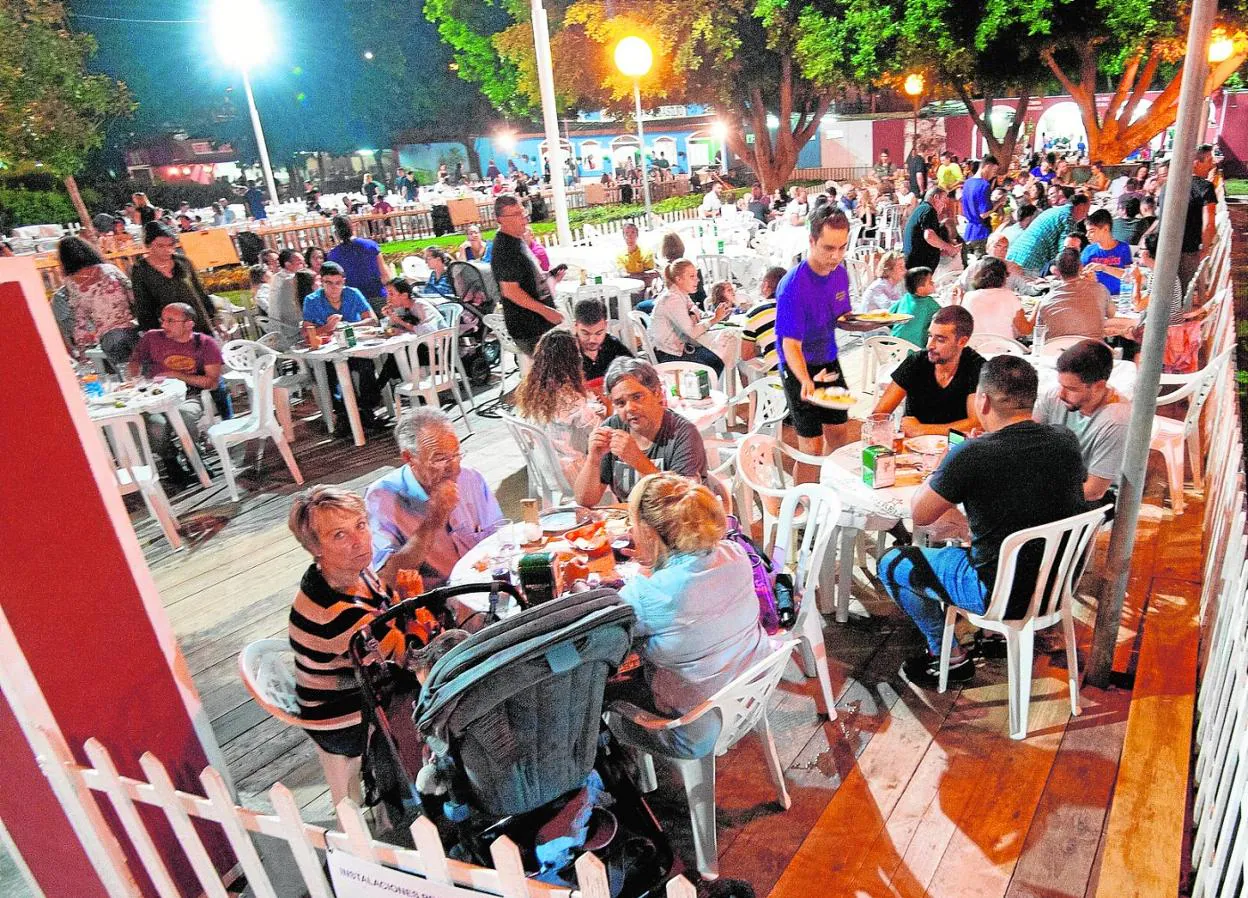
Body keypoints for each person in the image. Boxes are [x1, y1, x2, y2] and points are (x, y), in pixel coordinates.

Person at [878, 356, 1087, 687]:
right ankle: (993, 638)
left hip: (998, 593)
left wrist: (947, 462)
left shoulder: (972, 454)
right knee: (961, 531)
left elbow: (920, 514)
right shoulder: (1065, 440)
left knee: (893, 561)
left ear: (983, 400)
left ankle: (948, 656)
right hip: (1055, 585)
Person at [287, 486, 443, 805]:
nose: (359, 540)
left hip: (353, 678)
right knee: (443, 690)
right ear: (315, 548)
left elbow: (390, 610)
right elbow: (410, 658)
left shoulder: (350, 572)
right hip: (342, 715)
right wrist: (417, 614)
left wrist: (407, 611)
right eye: (339, 536)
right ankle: (423, 793)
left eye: (360, 525)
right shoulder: (340, 616)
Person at [616, 473, 774, 716]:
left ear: (648, 532)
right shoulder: (735, 553)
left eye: (633, 523)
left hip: (694, 717)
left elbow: (616, 641)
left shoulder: (643, 594)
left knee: (610, 691)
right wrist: (656, 562)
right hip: (751, 690)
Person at [776, 206, 879, 478]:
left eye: (842, 248)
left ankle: (833, 494)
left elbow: (841, 318)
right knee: (810, 448)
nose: (836, 256)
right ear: (811, 241)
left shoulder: (840, 274)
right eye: (828, 248)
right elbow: (790, 345)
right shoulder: (793, 286)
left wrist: (873, 323)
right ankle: (801, 511)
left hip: (828, 359)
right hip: (798, 366)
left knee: (839, 434)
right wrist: (806, 381)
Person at [366, 407, 504, 590]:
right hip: (438, 600)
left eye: (456, 455)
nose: (453, 467)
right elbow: (388, 578)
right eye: (439, 459)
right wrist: (433, 520)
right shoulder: (382, 497)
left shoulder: (471, 479)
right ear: (409, 458)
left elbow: (499, 537)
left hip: (485, 584)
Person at [575, 357, 708, 506]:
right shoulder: (612, 428)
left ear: (657, 393)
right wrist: (593, 459)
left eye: (637, 397)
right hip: (630, 523)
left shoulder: (683, 434)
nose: (630, 408)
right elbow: (584, 501)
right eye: (620, 403)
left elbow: (683, 503)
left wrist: (637, 460)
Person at [128, 302, 224, 489]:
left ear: (189, 324)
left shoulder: (205, 344)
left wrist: (178, 375)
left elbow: (211, 382)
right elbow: (134, 361)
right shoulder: (152, 338)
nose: (164, 325)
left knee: (184, 417)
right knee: (155, 426)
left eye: (170, 321)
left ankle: (193, 456)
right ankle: (170, 460)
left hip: (190, 395)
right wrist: (135, 376)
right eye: (163, 320)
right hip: (153, 397)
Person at [302, 261, 393, 433]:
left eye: (338, 283)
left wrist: (348, 327)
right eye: (329, 283)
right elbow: (306, 332)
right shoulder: (312, 300)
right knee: (329, 372)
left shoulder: (352, 294)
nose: (334, 287)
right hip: (329, 351)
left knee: (366, 366)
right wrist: (327, 329)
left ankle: (367, 410)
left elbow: (372, 319)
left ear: (344, 281)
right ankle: (343, 415)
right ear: (322, 282)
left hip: (356, 347)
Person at [1033, 339, 1130, 503]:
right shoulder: (1054, 396)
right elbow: (1029, 439)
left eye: (1072, 389)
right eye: (1061, 385)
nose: (1061, 394)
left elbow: (1094, 491)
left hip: (1095, 498)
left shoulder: (1117, 420)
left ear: (1099, 386)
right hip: (1056, 482)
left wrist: (1037, 497)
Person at [874, 305, 983, 437]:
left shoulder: (976, 367)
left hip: (956, 450)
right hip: (911, 449)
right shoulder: (916, 362)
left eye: (940, 339)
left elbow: (977, 423)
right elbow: (879, 414)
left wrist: (922, 429)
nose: (929, 345)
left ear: (962, 341)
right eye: (930, 336)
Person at [515, 329, 607, 484]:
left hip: (545, 467)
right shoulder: (569, 398)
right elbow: (599, 432)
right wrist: (608, 408)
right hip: (573, 472)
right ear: (571, 361)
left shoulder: (534, 392)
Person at [491, 194, 563, 361]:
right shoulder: (504, 248)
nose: (523, 219)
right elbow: (510, 291)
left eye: (522, 212)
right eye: (515, 215)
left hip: (540, 324)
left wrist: (550, 279)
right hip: (529, 327)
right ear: (500, 219)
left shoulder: (518, 239)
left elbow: (527, 279)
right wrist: (546, 312)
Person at [51, 236, 139, 369]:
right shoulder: (110, 269)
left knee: (129, 376)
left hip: (108, 338)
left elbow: (79, 318)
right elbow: (133, 295)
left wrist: (82, 350)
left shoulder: (71, 283)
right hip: (133, 328)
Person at [130, 222, 214, 334]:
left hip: (198, 325)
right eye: (160, 246)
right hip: (169, 332)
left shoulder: (183, 262)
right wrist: (154, 334)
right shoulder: (141, 270)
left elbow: (200, 293)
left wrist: (214, 318)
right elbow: (143, 307)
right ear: (148, 245)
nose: (167, 250)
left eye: (170, 245)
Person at [649, 259, 729, 376]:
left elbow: (699, 314)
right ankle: (703, 392)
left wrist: (718, 315)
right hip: (668, 354)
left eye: (696, 275)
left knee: (718, 358)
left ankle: (711, 391)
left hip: (682, 348)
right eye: (692, 276)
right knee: (714, 363)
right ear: (679, 279)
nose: (698, 280)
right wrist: (715, 319)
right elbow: (692, 332)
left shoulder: (682, 295)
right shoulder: (673, 299)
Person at [1034, 249, 1114, 339]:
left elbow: (1038, 333)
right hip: (1093, 350)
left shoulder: (1046, 300)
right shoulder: (1100, 290)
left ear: (1057, 271)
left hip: (1056, 351)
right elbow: (1112, 315)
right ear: (1081, 267)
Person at [1006, 194, 1089, 276]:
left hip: (1016, 256)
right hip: (1030, 262)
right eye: (1086, 211)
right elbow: (1066, 251)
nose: (1085, 216)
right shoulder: (1068, 218)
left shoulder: (1053, 211)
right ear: (1081, 207)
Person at [326, 215, 390, 313]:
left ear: (336, 232)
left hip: (353, 301)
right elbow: (384, 274)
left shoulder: (334, 255)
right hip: (377, 294)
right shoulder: (370, 245)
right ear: (352, 227)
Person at [1177, 143, 1219, 291]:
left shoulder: (1171, 184)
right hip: (1189, 251)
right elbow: (1209, 224)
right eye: (1208, 161)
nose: (1211, 165)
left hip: (1165, 249)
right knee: (1182, 296)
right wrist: (1205, 249)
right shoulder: (1206, 188)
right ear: (1196, 163)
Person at [573, 298, 633, 394]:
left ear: (605, 325)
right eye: (585, 333)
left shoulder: (611, 343)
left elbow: (633, 367)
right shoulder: (567, 351)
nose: (592, 340)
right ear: (575, 326)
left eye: (598, 333)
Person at [962, 257, 1029, 339]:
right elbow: (1025, 330)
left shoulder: (968, 297)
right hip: (1005, 348)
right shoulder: (1010, 296)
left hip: (975, 347)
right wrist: (1038, 309)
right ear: (1004, 276)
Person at [740, 265, 787, 374]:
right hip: (815, 379)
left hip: (780, 382)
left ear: (765, 285)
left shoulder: (755, 313)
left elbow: (746, 355)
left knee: (745, 365)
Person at [903, 187, 958, 271]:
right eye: (944, 200)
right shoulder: (928, 210)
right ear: (936, 197)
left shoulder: (921, 209)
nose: (945, 205)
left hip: (916, 262)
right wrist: (949, 248)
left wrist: (941, 248)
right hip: (919, 265)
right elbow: (929, 235)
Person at [889, 266, 941, 347]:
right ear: (920, 289)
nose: (933, 283)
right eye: (930, 282)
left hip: (892, 346)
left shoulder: (905, 298)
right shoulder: (930, 304)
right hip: (914, 351)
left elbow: (890, 315)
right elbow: (945, 319)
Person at [265, 248, 305, 349]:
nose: (304, 266)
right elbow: (296, 311)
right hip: (290, 331)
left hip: (277, 329)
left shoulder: (277, 277)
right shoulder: (290, 280)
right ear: (288, 264)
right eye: (300, 263)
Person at [961, 154, 1000, 253]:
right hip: (981, 233)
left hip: (968, 232)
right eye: (994, 171)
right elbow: (983, 214)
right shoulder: (984, 185)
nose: (994, 174)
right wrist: (999, 202)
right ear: (987, 166)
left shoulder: (967, 183)